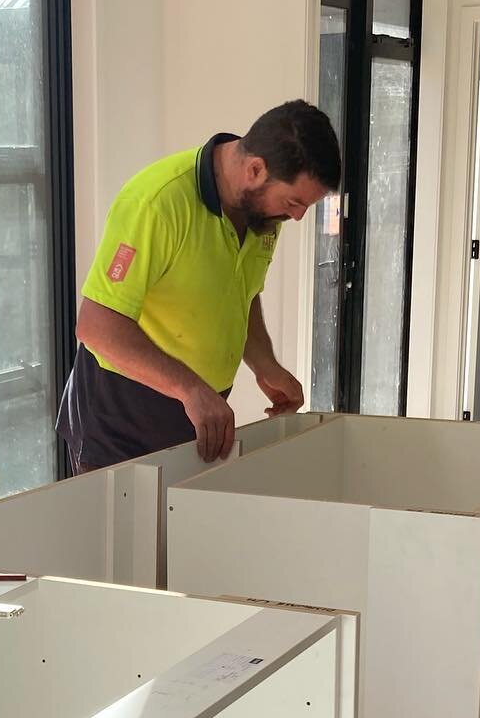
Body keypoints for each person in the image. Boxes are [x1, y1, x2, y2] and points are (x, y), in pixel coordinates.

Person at [55, 101, 342, 471]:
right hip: (119, 423)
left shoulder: (263, 215)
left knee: (183, 528)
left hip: (197, 417)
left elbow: (241, 294)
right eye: (294, 202)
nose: (299, 216)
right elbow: (96, 326)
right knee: (126, 530)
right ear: (255, 169)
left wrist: (264, 364)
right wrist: (190, 389)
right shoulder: (157, 203)